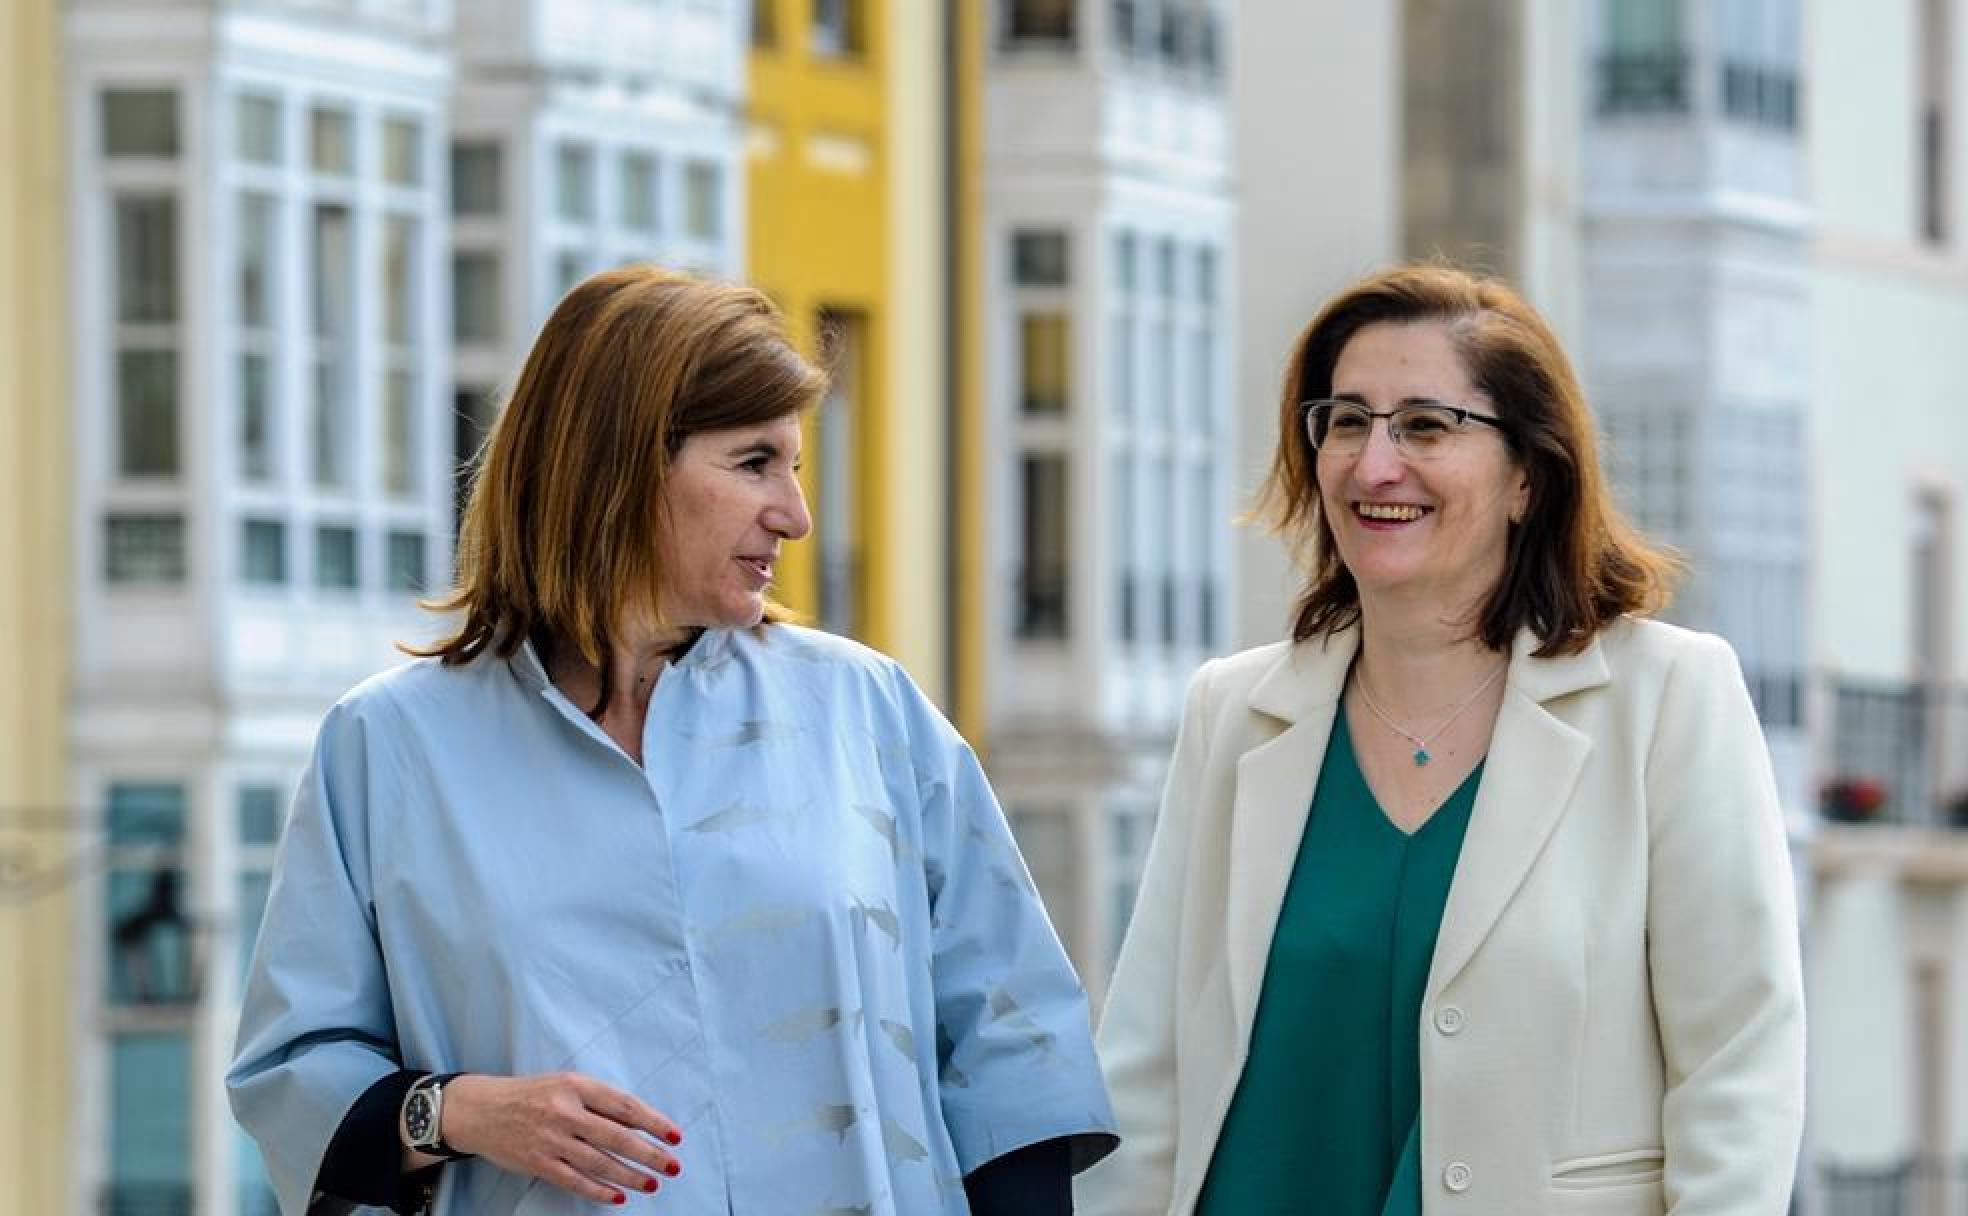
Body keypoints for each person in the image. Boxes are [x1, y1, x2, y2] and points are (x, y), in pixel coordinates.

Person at [229, 266, 1116, 1216]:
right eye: (752, 463)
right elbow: (295, 1069)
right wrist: (457, 1110)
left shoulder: (867, 710)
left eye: (797, 466)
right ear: (617, 466)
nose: (796, 515)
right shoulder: (388, 746)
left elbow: (1012, 1050)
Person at [1076, 264, 1804, 1215]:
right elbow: (1149, 1069)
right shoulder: (1236, 712)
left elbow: (1739, 1067)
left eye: (1427, 425)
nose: (1375, 465)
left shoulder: (1666, 698)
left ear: (1527, 478)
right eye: (1346, 421)